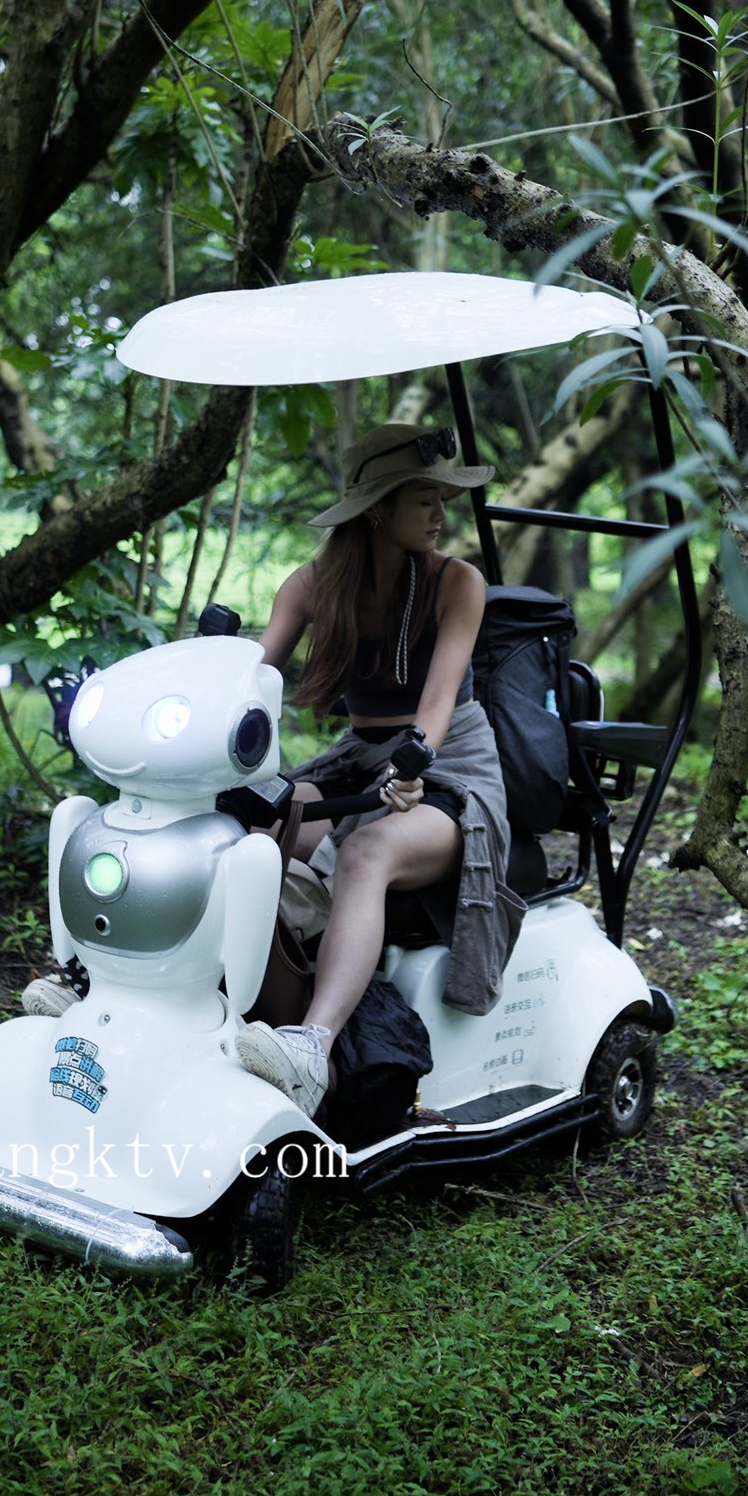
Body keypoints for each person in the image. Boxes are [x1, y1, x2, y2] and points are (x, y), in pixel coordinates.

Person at [236, 423, 522, 1118]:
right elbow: (250, 680)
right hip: (358, 759)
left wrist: (411, 761)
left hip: (449, 769)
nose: (440, 514)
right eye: (425, 499)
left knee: (365, 852)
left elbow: (438, 703)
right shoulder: (311, 586)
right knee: (252, 825)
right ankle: (151, 991)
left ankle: (312, 1046)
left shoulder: (458, 582)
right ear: (376, 510)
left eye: (442, 499)